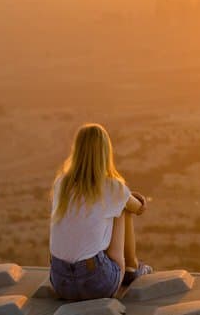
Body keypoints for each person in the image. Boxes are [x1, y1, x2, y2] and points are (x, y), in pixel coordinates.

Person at [49, 123, 153, 300]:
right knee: (121, 209)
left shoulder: (61, 184)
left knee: (110, 208)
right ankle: (132, 268)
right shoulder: (113, 188)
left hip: (60, 283)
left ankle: (129, 268)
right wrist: (129, 198)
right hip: (97, 283)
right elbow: (139, 209)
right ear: (105, 152)